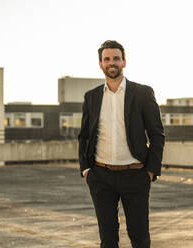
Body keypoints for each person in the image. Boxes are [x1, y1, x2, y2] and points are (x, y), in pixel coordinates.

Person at [78, 40, 165, 248]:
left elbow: (157, 133)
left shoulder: (142, 93)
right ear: (100, 64)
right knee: (107, 239)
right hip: (101, 176)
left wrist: (150, 171)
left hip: (135, 175)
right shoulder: (91, 97)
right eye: (107, 59)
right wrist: (86, 169)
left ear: (124, 61)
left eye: (116, 58)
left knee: (139, 237)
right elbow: (84, 135)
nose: (112, 63)